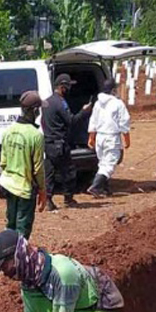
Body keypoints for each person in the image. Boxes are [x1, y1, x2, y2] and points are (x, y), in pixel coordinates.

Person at [0, 91, 47, 238]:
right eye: (39, 109)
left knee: (10, 225)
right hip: (25, 189)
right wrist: (43, 191)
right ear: (35, 110)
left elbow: (3, 163)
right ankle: (18, 259)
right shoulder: (36, 135)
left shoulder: (8, 131)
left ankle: (7, 256)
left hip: (9, 187)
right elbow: (38, 168)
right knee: (22, 230)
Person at [41, 74, 90, 210]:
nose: (69, 89)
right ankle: (68, 199)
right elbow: (71, 121)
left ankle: (48, 201)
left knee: (49, 173)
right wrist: (84, 112)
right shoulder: (60, 102)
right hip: (60, 144)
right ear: (62, 87)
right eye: (68, 86)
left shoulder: (46, 102)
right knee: (68, 172)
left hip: (48, 143)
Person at [87, 78, 130, 198]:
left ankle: (104, 188)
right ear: (113, 90)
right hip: (111, 137)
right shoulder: (118, 103)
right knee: (110, 163)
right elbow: (124, 122)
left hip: (100, 137)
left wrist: (91, 137)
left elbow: (93, 121)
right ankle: (95, 187)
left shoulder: (97, 103)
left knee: (103, 163)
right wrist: (127, 140)